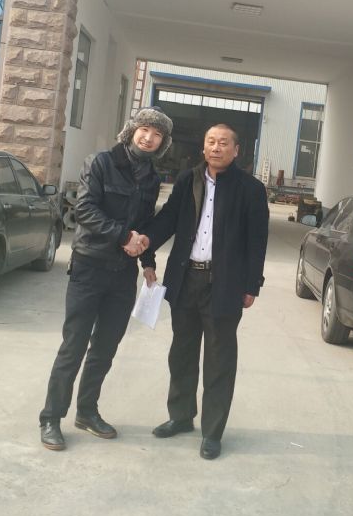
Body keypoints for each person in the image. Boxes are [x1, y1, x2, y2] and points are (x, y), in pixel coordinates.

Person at [38, 107, 173, 451]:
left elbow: (143, 222)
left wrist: (147, 261)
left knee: (105, 348)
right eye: (145, 130)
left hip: (123, 274)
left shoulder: (152, 177)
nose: (149, 138)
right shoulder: (101, 162)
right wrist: (123, 236)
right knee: (74, 345)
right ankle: (51, 418)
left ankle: (87, 412)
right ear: (132, 130)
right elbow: (84, 209)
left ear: (163, 143)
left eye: (157, 134)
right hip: (90, 266)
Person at [140, 124, 269, 460]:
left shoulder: (251, 189)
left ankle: (212, 432)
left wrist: (251, 285)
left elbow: (257, 241)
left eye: (223, 143)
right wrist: (145, 244)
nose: (216, 147)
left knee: (219, 359)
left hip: (224, 285)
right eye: (211, 141)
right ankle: (181, 416)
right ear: (203, 147)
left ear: (236, 150)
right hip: (186, 279)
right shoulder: (188, 180)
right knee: (181, 353)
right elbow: (168, 219)